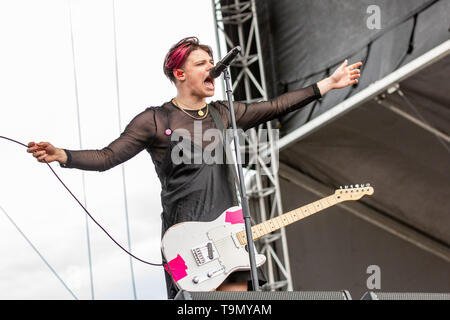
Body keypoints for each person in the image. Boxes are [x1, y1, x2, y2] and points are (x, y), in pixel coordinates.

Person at [27, 36, 362, 299]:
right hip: (185, 239)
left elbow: (273, 107)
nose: (212, 69)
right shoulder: (154, 120)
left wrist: (326, 85)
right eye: (202, 63)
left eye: (213, 62)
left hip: (231, 235)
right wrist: (63, 154)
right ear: (180, 73)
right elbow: (106, 157)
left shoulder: (223, 112)